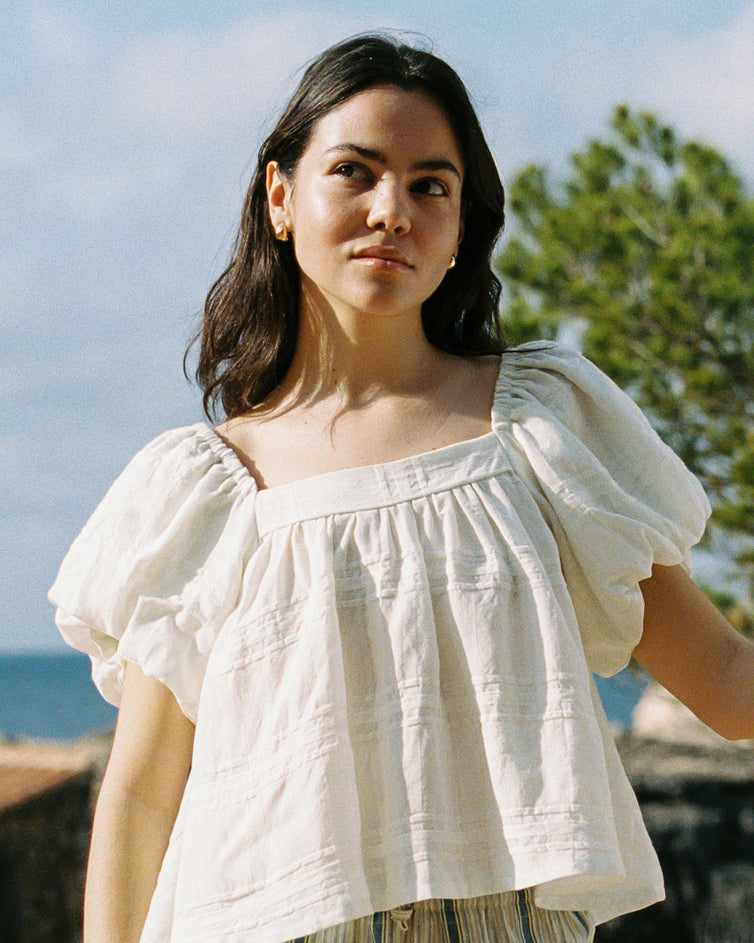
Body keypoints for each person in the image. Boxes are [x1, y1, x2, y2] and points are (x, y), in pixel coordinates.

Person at [49, 33, 754, 943]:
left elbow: (730, 686)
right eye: (355, 170)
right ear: (280, 198)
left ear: (462, 226)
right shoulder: (202, 492)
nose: (392, 210)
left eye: (431, 185)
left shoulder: (543, 430)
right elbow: (143, 794)